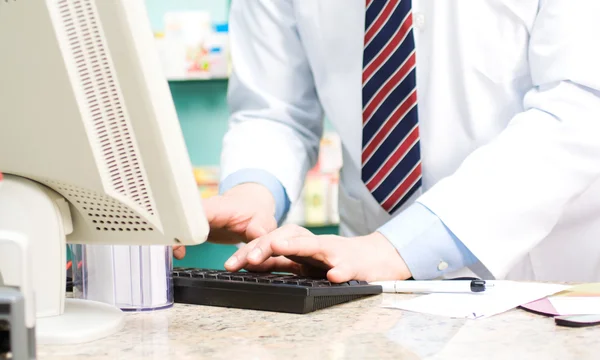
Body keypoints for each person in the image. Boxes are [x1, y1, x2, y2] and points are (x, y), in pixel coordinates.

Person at [174, 0, 600, 283]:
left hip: (546, 275)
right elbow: (273, 109)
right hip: (366, 273)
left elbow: (579, 105)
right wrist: (253, 192)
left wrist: (400, 246)